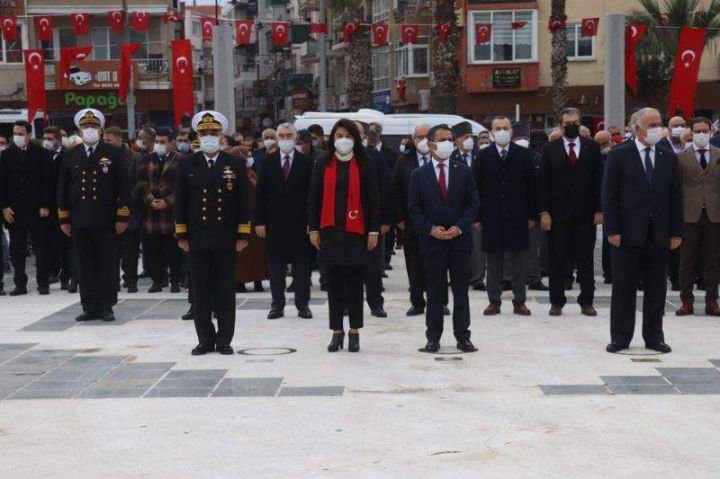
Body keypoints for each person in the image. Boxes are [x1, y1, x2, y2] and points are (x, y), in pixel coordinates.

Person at [603, 108, 683, 354]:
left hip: (658, 234)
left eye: (659, 124)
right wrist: (612, 230)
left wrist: (676, 232)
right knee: (623, 289)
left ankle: (654, 336)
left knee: (656, 290)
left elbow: (675, 197)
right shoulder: (619, 155)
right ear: (638, 129)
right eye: (652, 125)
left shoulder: (668, 156)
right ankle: (620, 336)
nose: (657, 128)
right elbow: (610, 196)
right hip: (626, 235)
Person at [174, 110, 250, 356]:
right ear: (197, 136)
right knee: (200, 292)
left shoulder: (235, 164)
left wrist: (243, 235)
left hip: (226, 237)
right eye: (204, 133)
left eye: (213, 133)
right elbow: (181, 202)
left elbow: (243, 202)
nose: (209, 136)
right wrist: (182, 234)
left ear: (221, 136)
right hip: (197, 237)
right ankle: (205, 340)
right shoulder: (187, 164)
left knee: (225, 291)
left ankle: (225, 339)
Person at [308, 119, 380, 353]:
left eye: (348, 136)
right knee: (334, 283)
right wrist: (313, 229)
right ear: (332, 138)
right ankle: (336, 331)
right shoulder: (323, 162)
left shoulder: (365, 162)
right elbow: (313, 197)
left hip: (357, 232)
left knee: (355, 284)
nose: (343, 140)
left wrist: (373, 230)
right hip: (330, 232)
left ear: (355, 139)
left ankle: (354, 331)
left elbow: (374, 199)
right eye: (339, 135)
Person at [409, 124, 479, 353]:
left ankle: (463, 336)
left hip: (459, 242)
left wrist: (459, 227)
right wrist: (430, 229)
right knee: (434, 293)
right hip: (433, 243)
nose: (448, 143)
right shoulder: (418, 175)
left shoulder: (464, 171)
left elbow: (473, 204)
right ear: (431, 144)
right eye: (442, 139)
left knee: (461, 292)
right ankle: (433, 338)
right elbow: (414, 208)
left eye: (450, 139)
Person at [57, 108, 130, 321]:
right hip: (79, 219)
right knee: (84, 264)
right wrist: (64, 218)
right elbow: (62, 188)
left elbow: (124, 188)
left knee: (107, 264)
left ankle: (106, 306)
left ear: (101, 129)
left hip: (106, 219)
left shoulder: (114, 153)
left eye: (94, 126)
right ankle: (88, 306)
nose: (90, 129)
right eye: (86, 126)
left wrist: (122, 216)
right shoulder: (71, 154)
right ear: (79, 130)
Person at [539, 108, 603, 316]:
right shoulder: (550, 149)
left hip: (585, 214)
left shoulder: (592, 147)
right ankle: (556, 301)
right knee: (557, 259)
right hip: (558, 215)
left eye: (575, 122)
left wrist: (599, 210)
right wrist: (544, 212)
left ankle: (587, 301)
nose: (571, 126)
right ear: (560, 126)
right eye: (567, 123)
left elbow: (599, 181)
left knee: (585, 259)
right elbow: (544, 183)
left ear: (580, 123)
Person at [475, 117, 536, 317]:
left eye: (505, 128)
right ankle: (494, 301)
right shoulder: (483, 156)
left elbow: (531, 187)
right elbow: (476, 188)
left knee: (519, 263)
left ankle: (520, 301)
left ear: (511, 131)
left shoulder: (523, 155)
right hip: (491, 216)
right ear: (492, 132)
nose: (502, 131)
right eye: (498, 128)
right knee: (493, 263)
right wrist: (477, 217)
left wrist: (531, 215)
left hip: (518, 216)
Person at [255, 123, 314, 320]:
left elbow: (313, 195)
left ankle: (303, 305)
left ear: (296, 138)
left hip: (301, 224)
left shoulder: (307, 162)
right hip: (274, 224)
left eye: (289, 135)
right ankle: (277, 305)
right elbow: (260, 194)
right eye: (282, 136)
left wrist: (312, 222)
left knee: (302, 269)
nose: (285, 139)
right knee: (276, 269)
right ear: (277, 138)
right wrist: (259, 222)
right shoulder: (267, 162)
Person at [393, 123, 449, 316]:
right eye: (419, 137)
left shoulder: (442, 158)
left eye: (427, 136)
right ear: (413, 139)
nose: (423, 140)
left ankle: (441, 302)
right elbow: (396, 190)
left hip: (439, 223)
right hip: (412, 224)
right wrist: (399, 218)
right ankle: (417, 302)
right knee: (414, 266)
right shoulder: (403, 161)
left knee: (439, 265)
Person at [0, 120, 53, 295]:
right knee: (17, 249)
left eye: (21, 134)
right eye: (15, 134)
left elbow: (48, 181)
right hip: (15, 210)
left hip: (36, 208)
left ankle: (43, 282)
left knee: (41, 247)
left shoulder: (42, 153)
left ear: (29, 135)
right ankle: (20, 284)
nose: (17, 137)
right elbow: (2, 182)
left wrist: (45, 205)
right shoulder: (7, 154)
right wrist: (4, 206)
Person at [676, 117, 720, 316]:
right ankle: (686, 301)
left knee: (713, 260)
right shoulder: (680, 157)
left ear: (711, 132)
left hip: (714, 214)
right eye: (697, 131)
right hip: (689, 214)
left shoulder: (718, 154)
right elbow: (676, 187)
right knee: (687, 261)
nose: (701, 134)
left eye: (705, 130)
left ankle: (712, 300)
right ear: (691, 133)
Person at [136, 128, 183, 293]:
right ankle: (157, 281)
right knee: (153, 250)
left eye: (162, 142)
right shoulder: (146, 159)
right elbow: (141, 182)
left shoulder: (181, 160)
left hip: (172, 213)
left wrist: (168, 201)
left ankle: (175, 281)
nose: (159, 145)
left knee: (174, 250)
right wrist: (151, 199)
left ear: (171, 143)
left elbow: (182, 186)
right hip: (152, 213)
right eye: (157, 141)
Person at [104, 126, 143, 292]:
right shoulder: (103, 157)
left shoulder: (134, 157)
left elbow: (140, 183)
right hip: (108, 210)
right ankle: (113, 280)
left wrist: (125, 199)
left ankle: (131, 280)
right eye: (104, 140)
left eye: (109, 140)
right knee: (112, 250)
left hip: (130, 209)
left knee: (130, 249)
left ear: (120, 140)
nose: (106, 143)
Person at [43, 126, 76, 293]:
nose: (47, 142)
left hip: (64, 205)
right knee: (50, 244)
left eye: (50, 139)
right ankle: (53, 271)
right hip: (47, 207)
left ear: (58, 139)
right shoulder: (42, 155)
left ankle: (66, 277)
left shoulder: (67, 155)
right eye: (45, 138)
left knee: (66, 245)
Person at [595, 129, 614, 284]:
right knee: (607, 239)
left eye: (605, 143)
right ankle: (608, 272)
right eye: (599, 145)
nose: (603, 147)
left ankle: (612, 272)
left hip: (614, 202)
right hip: (601, 201)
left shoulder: (616, 155)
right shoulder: (594, 158)